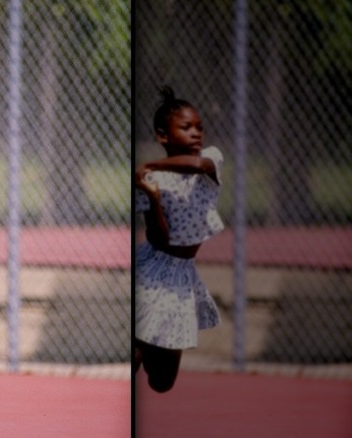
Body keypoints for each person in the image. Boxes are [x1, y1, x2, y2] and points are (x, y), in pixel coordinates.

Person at [133, 86, 224, 393]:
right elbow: (158, 237)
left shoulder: (211, 161)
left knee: (162, 382)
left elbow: (197, 164)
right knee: (140, 345)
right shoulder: (151, 182)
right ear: (163, 135)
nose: (196, 133)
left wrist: (151, 166)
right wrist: (153, 197)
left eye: (199, 127)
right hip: (154, 269)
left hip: (183, 274)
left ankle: (147, 348)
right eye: (186, 128)